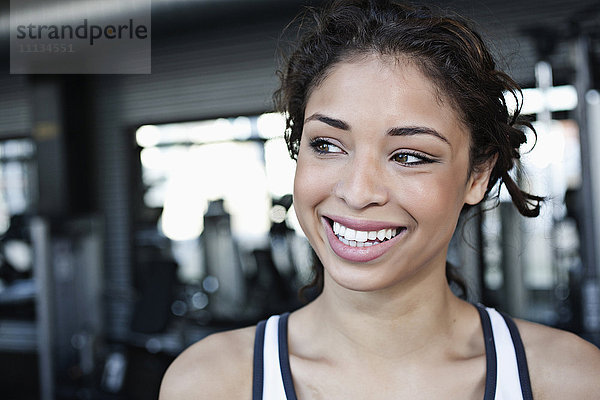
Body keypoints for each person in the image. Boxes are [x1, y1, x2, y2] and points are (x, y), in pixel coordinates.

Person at [159, 1, 600, 398]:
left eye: (409, 156)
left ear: (477, 175)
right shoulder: (209, 383)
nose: (357, 191)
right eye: (327, 145)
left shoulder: (569, 380)